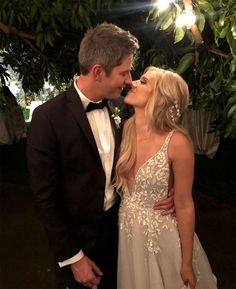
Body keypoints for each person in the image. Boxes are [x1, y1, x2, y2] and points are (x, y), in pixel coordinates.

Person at [27, 24, 174, 289]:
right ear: (98, 72)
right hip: (78, 245)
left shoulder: (122, 105)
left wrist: (169, 188)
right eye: (124, 72)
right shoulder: (47, 118)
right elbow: (45, 197)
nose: (130, 79)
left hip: (122, 235)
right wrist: (73, 257)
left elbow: (151, 150)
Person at [116, 67, 218, 289]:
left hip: (163, 240)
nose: (132, 83)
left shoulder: (178, 142)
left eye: (143, 82)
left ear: (161, 99)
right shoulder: (125, 131)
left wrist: (187, 262)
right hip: (129, 235)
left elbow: (184, 205)